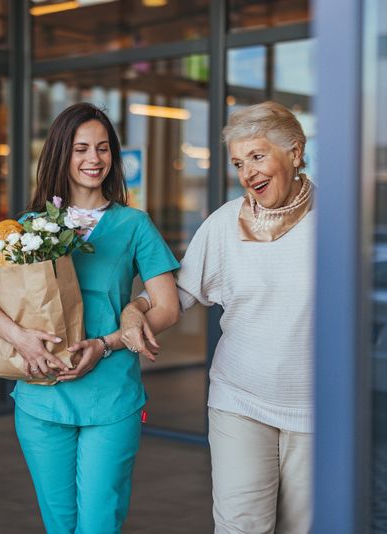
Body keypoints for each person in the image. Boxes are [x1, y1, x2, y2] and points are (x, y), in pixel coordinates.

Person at [0, 102, 180, 533]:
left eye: (103, 149)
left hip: (112, 394)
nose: (94, 159)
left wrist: (107, 344)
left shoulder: (134, 224)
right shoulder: (30, 226)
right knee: (59, 523)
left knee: (100, 521)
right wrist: (22, 338)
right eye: (81, 148)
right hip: (41, 394)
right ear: (62, 154)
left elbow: (168, 307)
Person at [120, 101, 315, 534]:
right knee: (241, 526)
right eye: (239, 163)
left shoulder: (335, 220)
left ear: (295, 152)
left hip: (317, 408)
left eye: (258, 156)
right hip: (239, 400)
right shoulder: (225, 224)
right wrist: (135, 309)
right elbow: (178, 295)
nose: (248, 173)